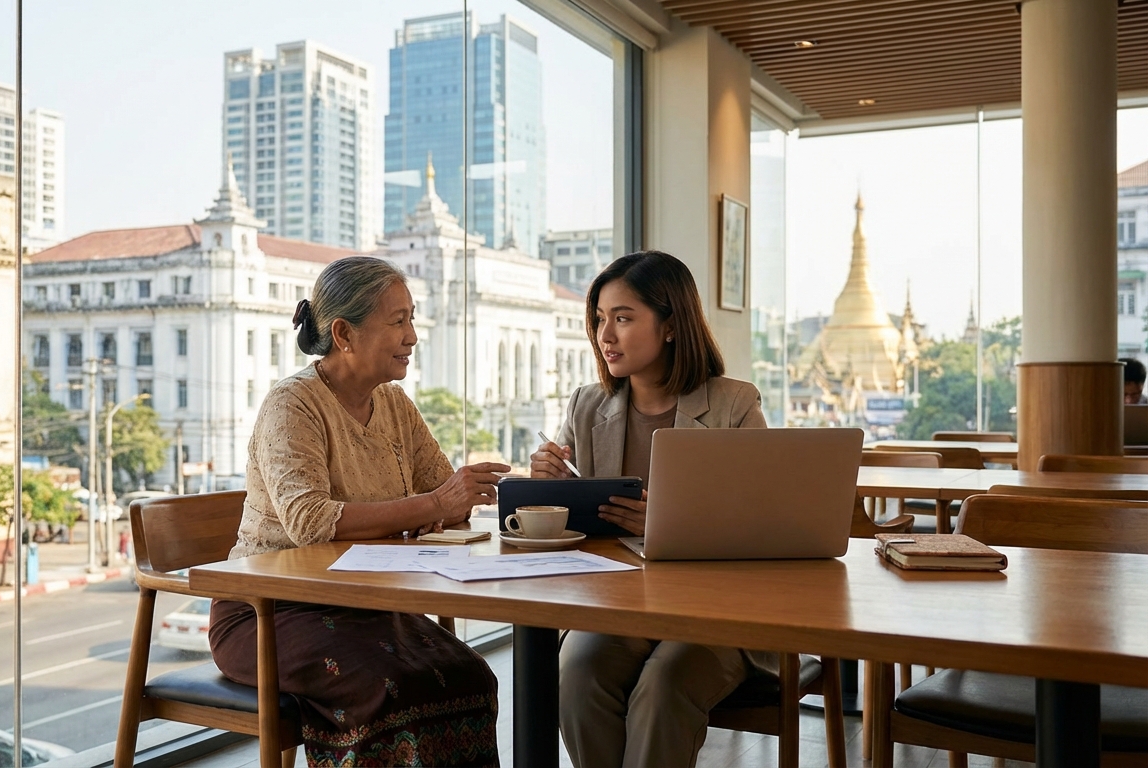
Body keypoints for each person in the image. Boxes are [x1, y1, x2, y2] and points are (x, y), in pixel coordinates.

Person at [209, 256, 507, 767]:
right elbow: (310, 523)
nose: (412, 336)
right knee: (386, 690)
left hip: (361, 604)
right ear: (343, 334)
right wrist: (435, 504)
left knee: (471, 676)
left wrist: (466, 497)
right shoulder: (294, 404)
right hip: (268, 609)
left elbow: (445, 491)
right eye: (398, 321)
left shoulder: (394, 403)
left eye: (412, 319)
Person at [529, 250, 775, 768]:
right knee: (576, 673)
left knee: (663, 686)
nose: (605, 335)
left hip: (717, 613)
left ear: (669, 325)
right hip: (619, 607)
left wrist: (672, 523)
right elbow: (569, 524)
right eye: (599, 319)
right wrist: (546, 488)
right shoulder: (586, 404)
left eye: (623, 318)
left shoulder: (734, 405)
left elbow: (764, 529)